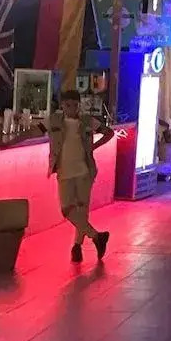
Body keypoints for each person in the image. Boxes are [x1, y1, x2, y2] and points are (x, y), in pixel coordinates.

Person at [44, 90, 115, 263]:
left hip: (84, 171)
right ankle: (96, 236)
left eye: (75, 105)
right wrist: (10, 141)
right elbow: (33, 131)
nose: (72, 108)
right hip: (64, 172)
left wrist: (93, 147)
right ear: (62, 105)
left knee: (82, 211)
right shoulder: (54, 120)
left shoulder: (87, 121)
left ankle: (77, 247)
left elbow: (109, 133)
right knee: (67, 209)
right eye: (68, 105)